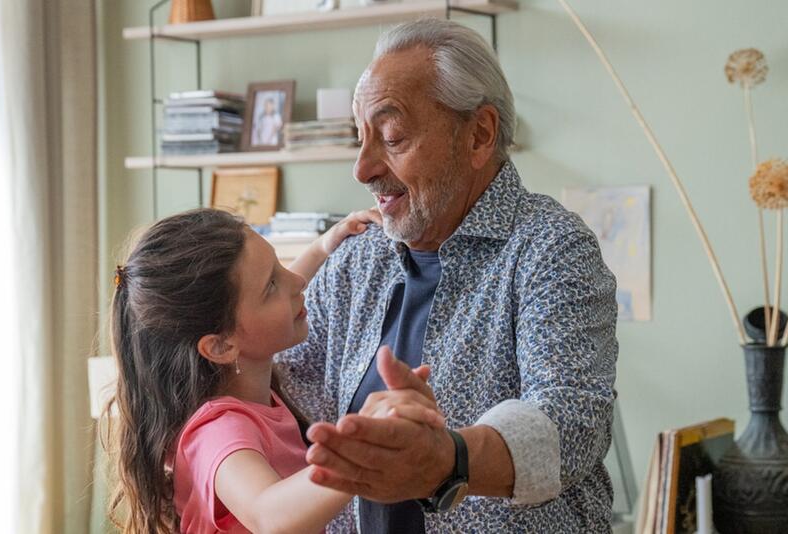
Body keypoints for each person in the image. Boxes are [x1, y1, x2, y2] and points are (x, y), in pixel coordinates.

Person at [276, 18, 619, 532]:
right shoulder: (356, 258)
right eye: (360, 137)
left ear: (479, 134)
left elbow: (568, 422)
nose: (362, 168)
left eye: (392, 137)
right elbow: (278, 378)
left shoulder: (550, 246)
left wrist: (448, 459)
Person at [104, 207, 444, 533]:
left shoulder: (245, 375)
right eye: (271, 285)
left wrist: (325, 244)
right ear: (221, 346)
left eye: (281, 265)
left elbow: (259, 303)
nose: (296, 280)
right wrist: (360, 454)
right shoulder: (219, 431)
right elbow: (269, 516)